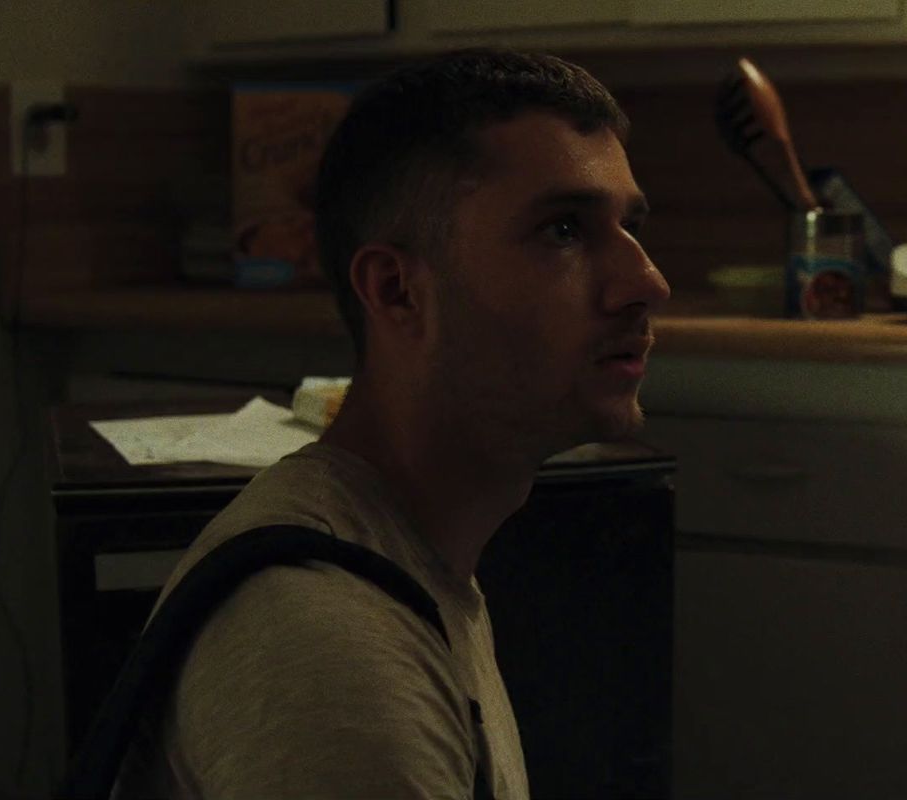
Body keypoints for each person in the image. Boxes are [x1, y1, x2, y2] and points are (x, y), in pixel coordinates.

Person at [115, 48, 670, 798]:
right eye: (564, 230)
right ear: (397, 290)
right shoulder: (329, 649)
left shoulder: (414, 555)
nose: (646, 282)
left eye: (630, 227)